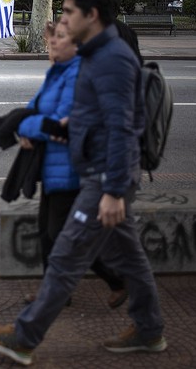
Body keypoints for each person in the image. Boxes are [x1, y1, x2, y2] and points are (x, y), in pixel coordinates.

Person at [0, 0, 166, 366]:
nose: (61, 19)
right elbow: (88, 117)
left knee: (63, 258)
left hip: (104, 178)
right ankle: (149, 330)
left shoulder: (111, 59)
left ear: (91, 16)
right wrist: (57, 129)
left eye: (67, 12)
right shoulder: (97, 55)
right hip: (100, 172)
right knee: (130, 260)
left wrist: (112, 191)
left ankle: (24, 337)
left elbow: (122, 128)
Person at [19, 20, 127, 310]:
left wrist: (31, 127)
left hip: (71, 168)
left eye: (58, 39)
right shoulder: (57, 73)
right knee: (48, 232)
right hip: (52, 166)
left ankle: (114, 280)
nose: (51, 45)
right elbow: (32, 110)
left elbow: (63, 121)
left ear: (76, 44)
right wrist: (25, 126)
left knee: (64, 235)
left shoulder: (78, 75)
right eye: (49, 41)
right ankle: (59, 290)